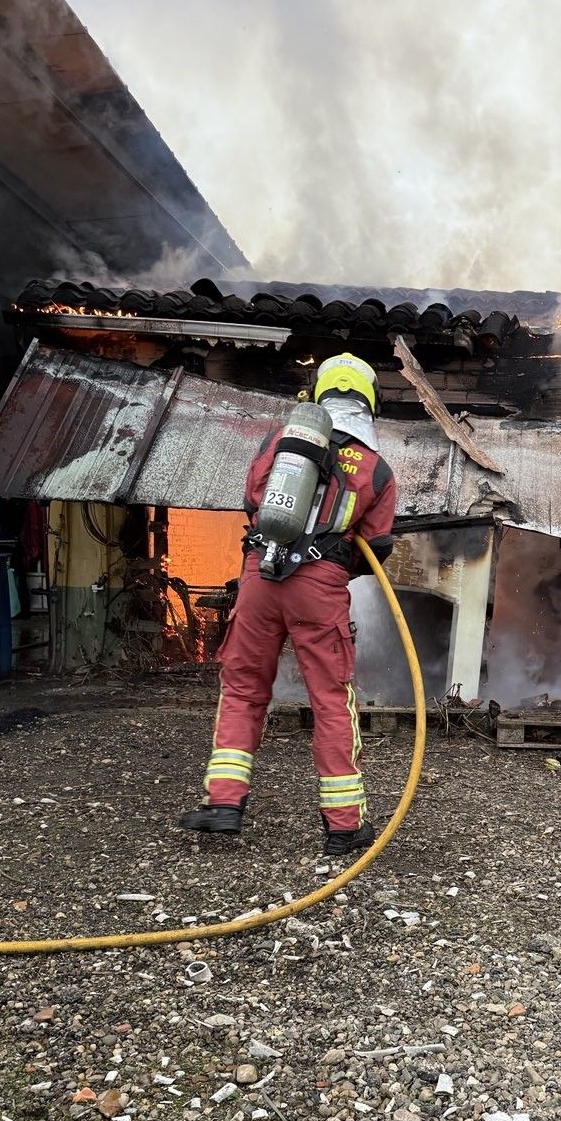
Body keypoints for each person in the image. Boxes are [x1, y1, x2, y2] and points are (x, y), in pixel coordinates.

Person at [180, 353, 396, 855]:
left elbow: (254, 499)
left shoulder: (279, 443)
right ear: (369, 401)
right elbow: (378, 545)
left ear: (318, 395)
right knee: (329, 699)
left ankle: (224, 805)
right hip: (319, 587)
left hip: (260, 574)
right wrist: (332, 563)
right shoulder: (374, 466)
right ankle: (344, 828)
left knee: (243, 689)